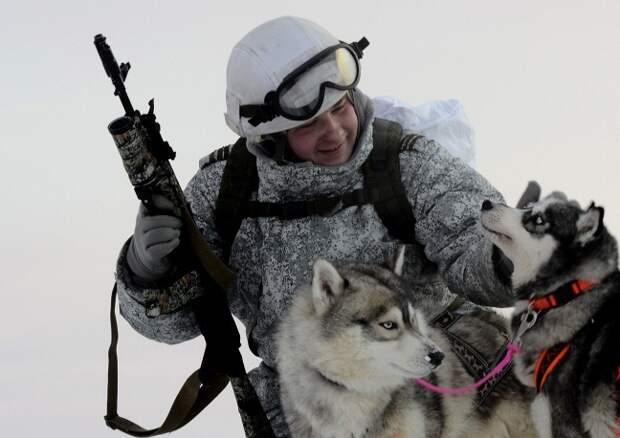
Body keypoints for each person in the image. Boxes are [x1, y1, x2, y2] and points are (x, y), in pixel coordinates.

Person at [115, 16, 514, 437]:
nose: (335, 132)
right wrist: (147, 272)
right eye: (308, 125)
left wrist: (510, 259)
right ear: (270, 135)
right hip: (307, 409)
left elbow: (472, 241)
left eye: (340, 107)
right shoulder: (224, 191)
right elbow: (175, 326)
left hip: (443, 381)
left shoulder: (404, 161)